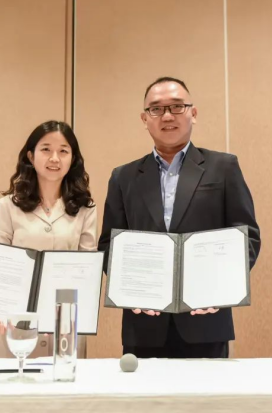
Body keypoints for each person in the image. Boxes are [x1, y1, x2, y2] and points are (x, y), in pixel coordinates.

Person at [98, 77, 261, 359]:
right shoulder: (123, 177)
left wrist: (222, 287)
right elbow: (109, 245)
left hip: (207, 320)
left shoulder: (223, 167)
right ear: (144, 118)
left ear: (193, 113)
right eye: (156, 109)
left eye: (177, 106)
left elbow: (246, 236)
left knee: (207, 391)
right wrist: (130, 288)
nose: (167, 116)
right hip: (143, 323)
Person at [0, 120, 97, 357]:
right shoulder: (8, 206)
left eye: (63, 151)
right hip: (15, 328)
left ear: (73, 159)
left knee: (63, 380)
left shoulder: (85, 209)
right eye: (46, 149)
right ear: (31, 156)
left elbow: (88, 270)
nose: (54, 158)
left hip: (63, 328)